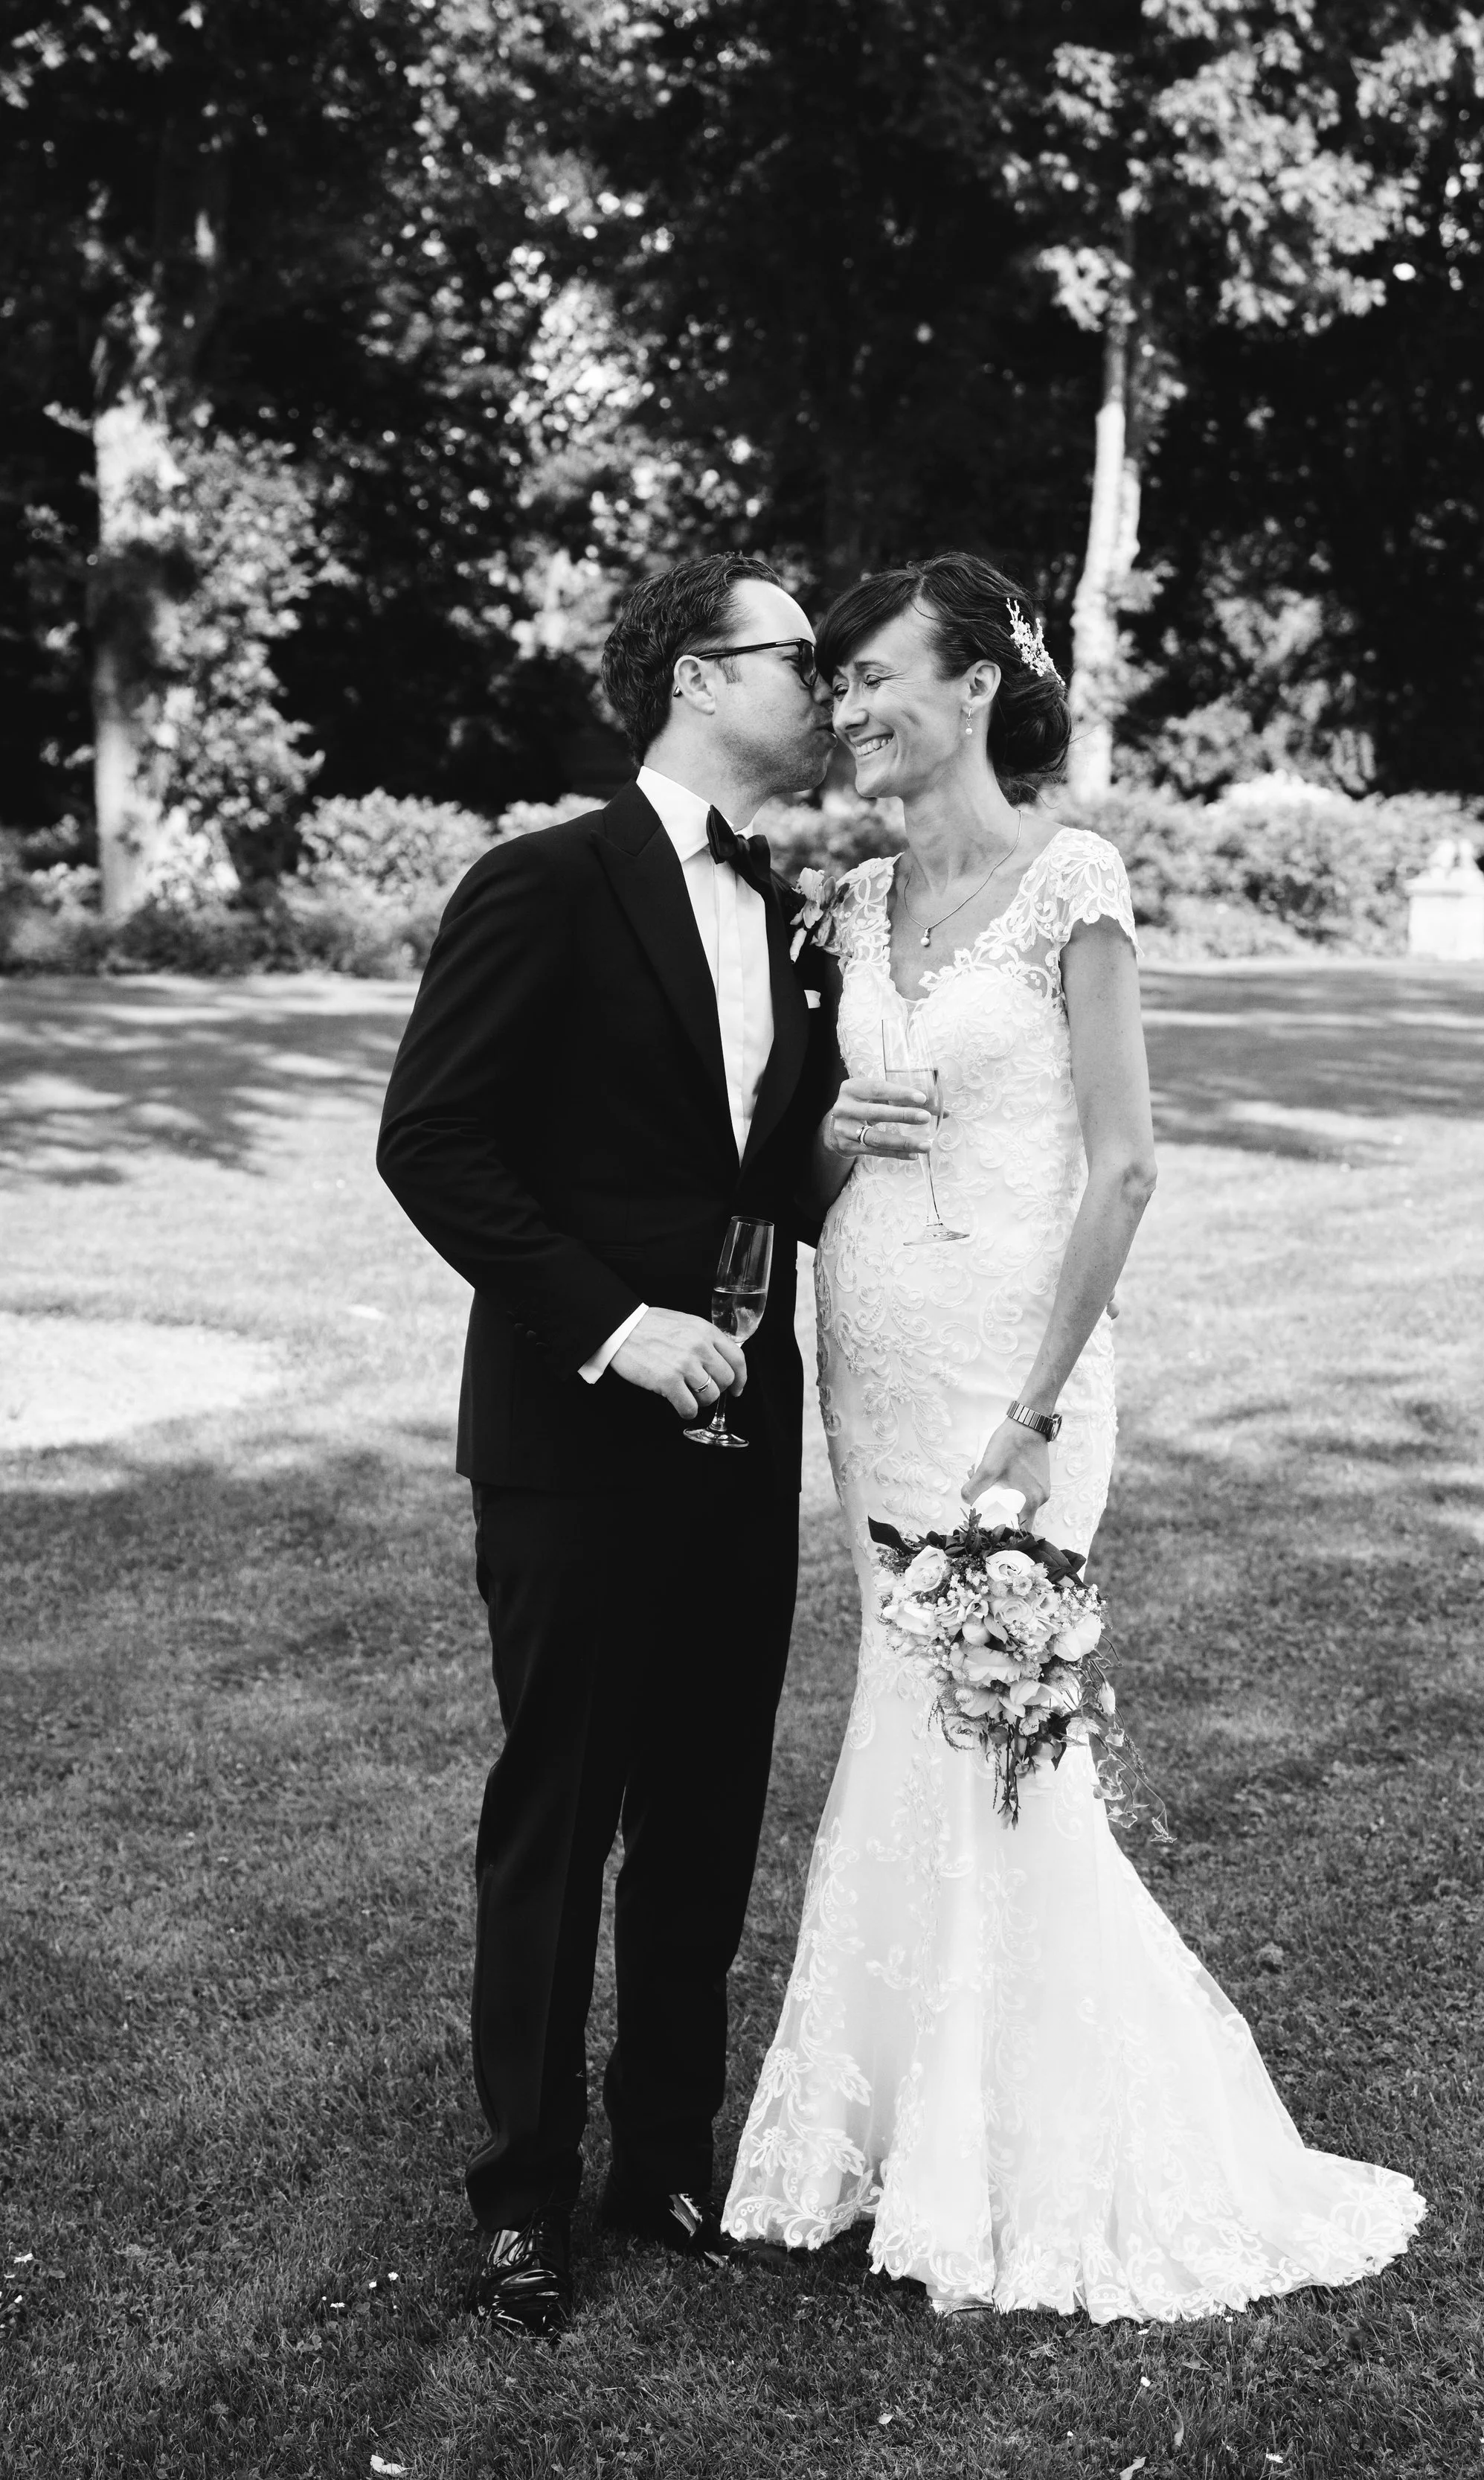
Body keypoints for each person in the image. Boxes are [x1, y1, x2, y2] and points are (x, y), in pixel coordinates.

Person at [722, 551, 1425, 2319]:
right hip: (869, 1364)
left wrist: (1036, 1411)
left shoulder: (1071, 882)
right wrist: (834, 1134)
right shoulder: (847, 905)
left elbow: (1123, 1163)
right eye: (842, 680)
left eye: (878, 674)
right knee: (907, 1713)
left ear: (973, 690)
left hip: (1014, 1385)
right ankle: (895, 2134)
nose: (851, 704)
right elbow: (799, 1179)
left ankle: (1025, 2151)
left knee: (997, 1731)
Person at [376, 552, 841, 2338]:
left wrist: (843, 1139)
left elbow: (754, 1179)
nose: (826, 686)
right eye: (799, 658)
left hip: (742, 1421)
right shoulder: (544, 883)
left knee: (711, 1800)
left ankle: (664, 2148)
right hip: (575, 1432)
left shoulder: (796, 918)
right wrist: (607, 1324)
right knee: (560, 1811)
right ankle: (520, 2192)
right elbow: (436, 1141)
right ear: (696, 680)